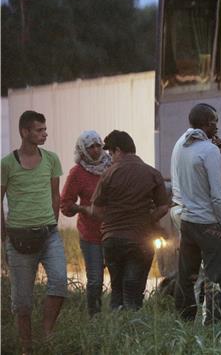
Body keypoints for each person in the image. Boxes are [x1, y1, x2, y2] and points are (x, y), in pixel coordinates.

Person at [1, 111, 67, 354]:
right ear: (24, 132)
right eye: (39, 130)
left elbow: (55, 195)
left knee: (60, 281)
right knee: (22, 303)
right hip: (18, 238)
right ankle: (26, 348)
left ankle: (47, 332)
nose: (44, 133)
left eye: (44, 129)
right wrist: (3, 238)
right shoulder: (6, 164)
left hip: (48, 234)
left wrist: (53, 224)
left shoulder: (51, 159)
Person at [91, 130, 169, 311]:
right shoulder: (152, 173)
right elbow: (164, 207)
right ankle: (132, 331)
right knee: (134, 292)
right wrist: (147, 220)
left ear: (118, 150)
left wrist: (113, 220)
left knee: (116, 289)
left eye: (111, 154)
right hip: (140, 239)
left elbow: (96, 210)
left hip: (111, 241)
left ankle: (116, 328)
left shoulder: (108, 174)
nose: (111, 158)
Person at [173, 104, 221, 324]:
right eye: (215, 121)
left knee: (187, 276)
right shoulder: (209, 150)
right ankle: (215, 322)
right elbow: (216, 194)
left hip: (187, 221)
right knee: (214, 277)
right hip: (208, 223)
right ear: (208, 123)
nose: (217, 125)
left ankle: (184, 320)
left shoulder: (181, 144)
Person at [60, 130, 111, 316]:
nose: (96, 150)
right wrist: (85, 209)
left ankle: (117, 317)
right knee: (96, 280)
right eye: (91, 147)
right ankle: (95, 318)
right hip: (90, 234)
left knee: (118, 278)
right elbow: (65, 204)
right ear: (83, 150)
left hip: (113, 232)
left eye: (99, 145)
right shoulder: (78, 172)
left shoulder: (111, 165)